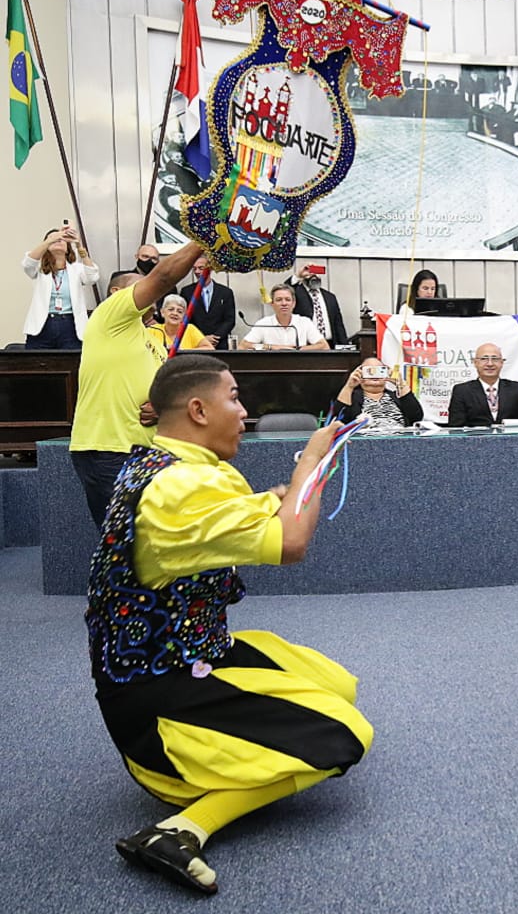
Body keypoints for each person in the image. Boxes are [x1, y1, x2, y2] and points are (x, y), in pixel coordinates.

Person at [86, 355, 372, 895]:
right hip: (156, 699)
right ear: (197, 409)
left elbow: (211, 525)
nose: (245, 412)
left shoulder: (164, 463)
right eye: (235, 398)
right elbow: (291, 544)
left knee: (338, 687)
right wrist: (311, 464)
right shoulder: (179, 488)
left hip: (189, 650)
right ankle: (183, 828)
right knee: (346, 735)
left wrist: (274, 499)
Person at [69, 241, 204, 527]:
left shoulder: (152, 341)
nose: (152, 293)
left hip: (148, 451)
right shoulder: (110, 315)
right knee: (128, 546)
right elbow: (164, 278)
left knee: (154, 543)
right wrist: (203, 242)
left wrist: (162, 406)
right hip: (110, 449)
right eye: (141, 286)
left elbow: (166, 393)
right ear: (117, 293)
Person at [21, 223, 100, 349]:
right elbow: (27, 263)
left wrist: (79, 245)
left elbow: (92, 277)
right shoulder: (39, 269)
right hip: (43, 324)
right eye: (53, 239)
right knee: (38, 364)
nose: (58, 240)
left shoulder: (76, 269)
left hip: (70, 324)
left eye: (62, 240)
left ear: (68, 248)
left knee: (71, 364)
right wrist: (51, 239)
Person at [447, 343, 518, 426]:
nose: (490, 364)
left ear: (502, 363)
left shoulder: (517, 389)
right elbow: (456, 427)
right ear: (475, 363)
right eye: (484, 359)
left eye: (495, 359)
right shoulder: (462, 391)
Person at [332, 357, 424, 430]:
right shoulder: (351, 397)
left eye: (379, 370)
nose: (374, 375)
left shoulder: (396, 396)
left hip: (400, 441)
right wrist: (349, 386)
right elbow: (339, 419)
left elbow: (416, 417)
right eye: (369, 371)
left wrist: (401, 383)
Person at [240, 284, 328, 350]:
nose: (284, 303)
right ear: (272, 304)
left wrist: (297, 350)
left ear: (293, 303)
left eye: (288, 299)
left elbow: (324, 346)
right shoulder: (263, 323)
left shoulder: (304, 322)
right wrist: (272, 347)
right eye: (279, 300)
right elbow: (243, 345)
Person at [284, 263, 348, 349]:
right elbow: (285, 290)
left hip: (330, 345)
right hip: (306, 345)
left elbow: (338, 324)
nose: (313, 275)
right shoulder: (297, 293)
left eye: (316, 271)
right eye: (310, 272)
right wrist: (298, 275)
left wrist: (345, 346)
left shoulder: (330, 297)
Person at [179, 256, 236, 350]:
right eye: (194, 269)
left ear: (210, 268)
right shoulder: (187, 292)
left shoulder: (225, 292)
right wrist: (202, 338)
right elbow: (186, 319)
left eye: (201, 268)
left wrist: (215, 337)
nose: (197, 272)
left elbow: (230, 320)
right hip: (196, 344)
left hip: (219, 344)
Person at [147, 294, 216, 352]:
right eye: (171, 309)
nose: (175, 313)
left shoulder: (190, 329)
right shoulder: (153, 330)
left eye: (179, 311)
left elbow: (210, 349)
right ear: (162, 312)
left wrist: (183, 351)